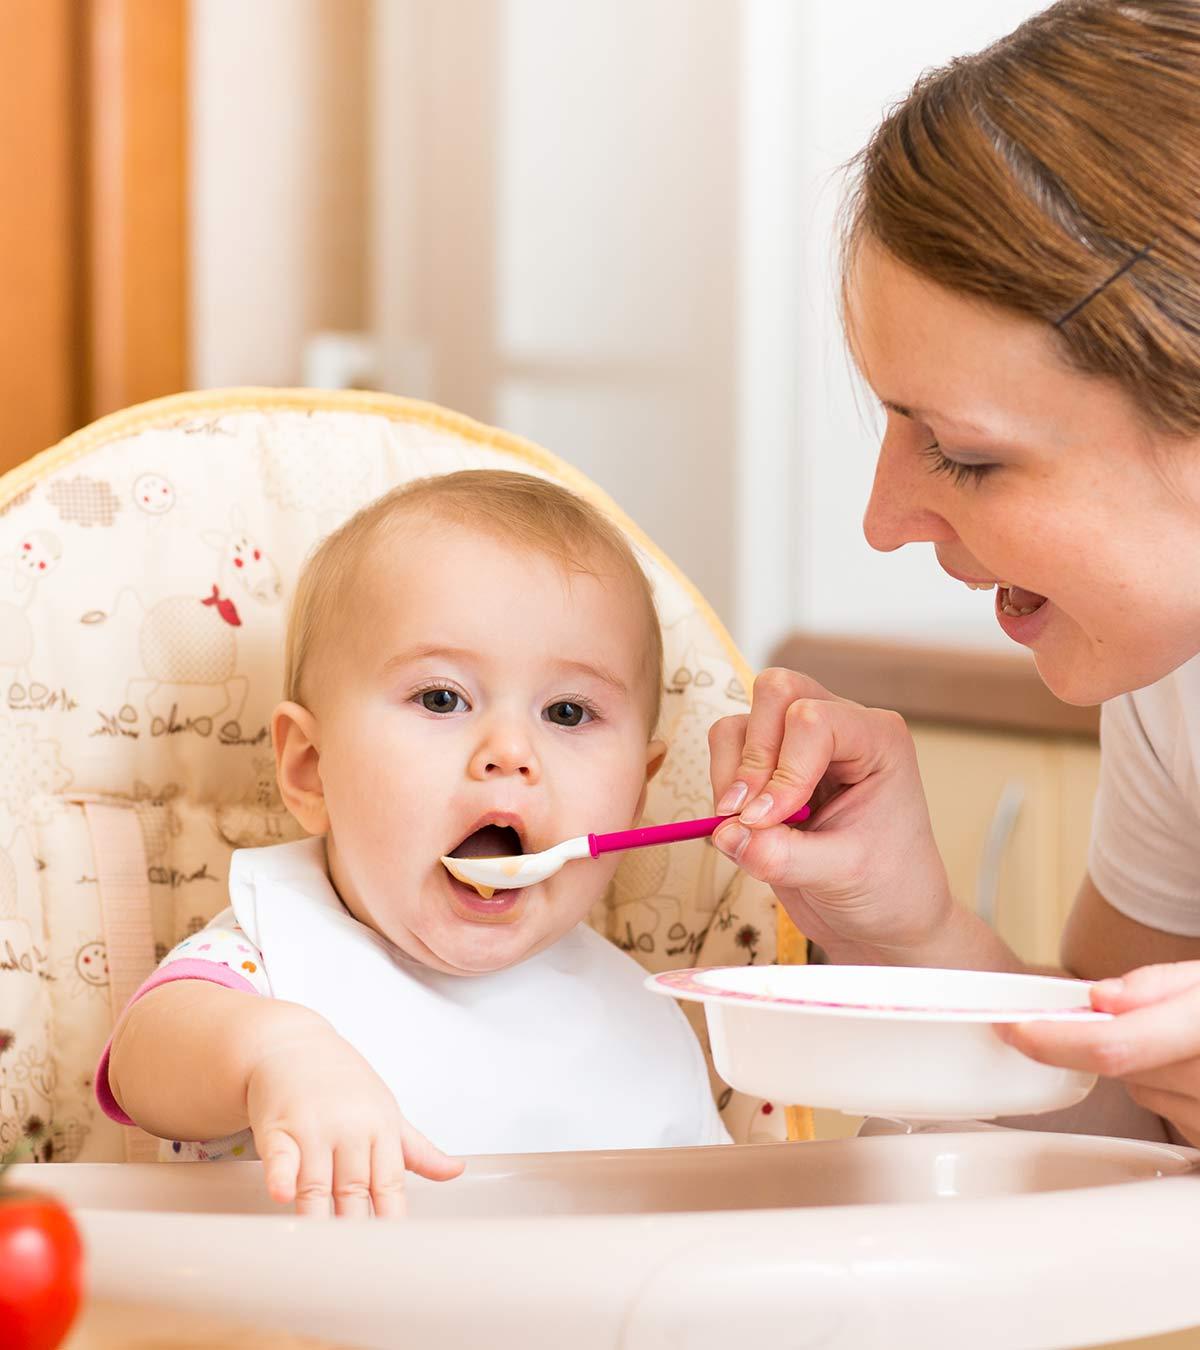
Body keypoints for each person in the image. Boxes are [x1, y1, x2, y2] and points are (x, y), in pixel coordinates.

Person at [712, 0, 1200, 1146]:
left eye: (969, 456)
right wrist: (907, 934)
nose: (884, 522)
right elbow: (1123, 1109)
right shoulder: (1171, 675)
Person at [99, 470, 728, 1217]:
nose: (510, 752)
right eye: (441, 698)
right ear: (309, 768)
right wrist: (276, 1055)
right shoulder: (267, 963)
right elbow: (144, 1063)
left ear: (637, 795)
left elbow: (710, 1234)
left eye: (567, 711)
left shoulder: (645, 1019)